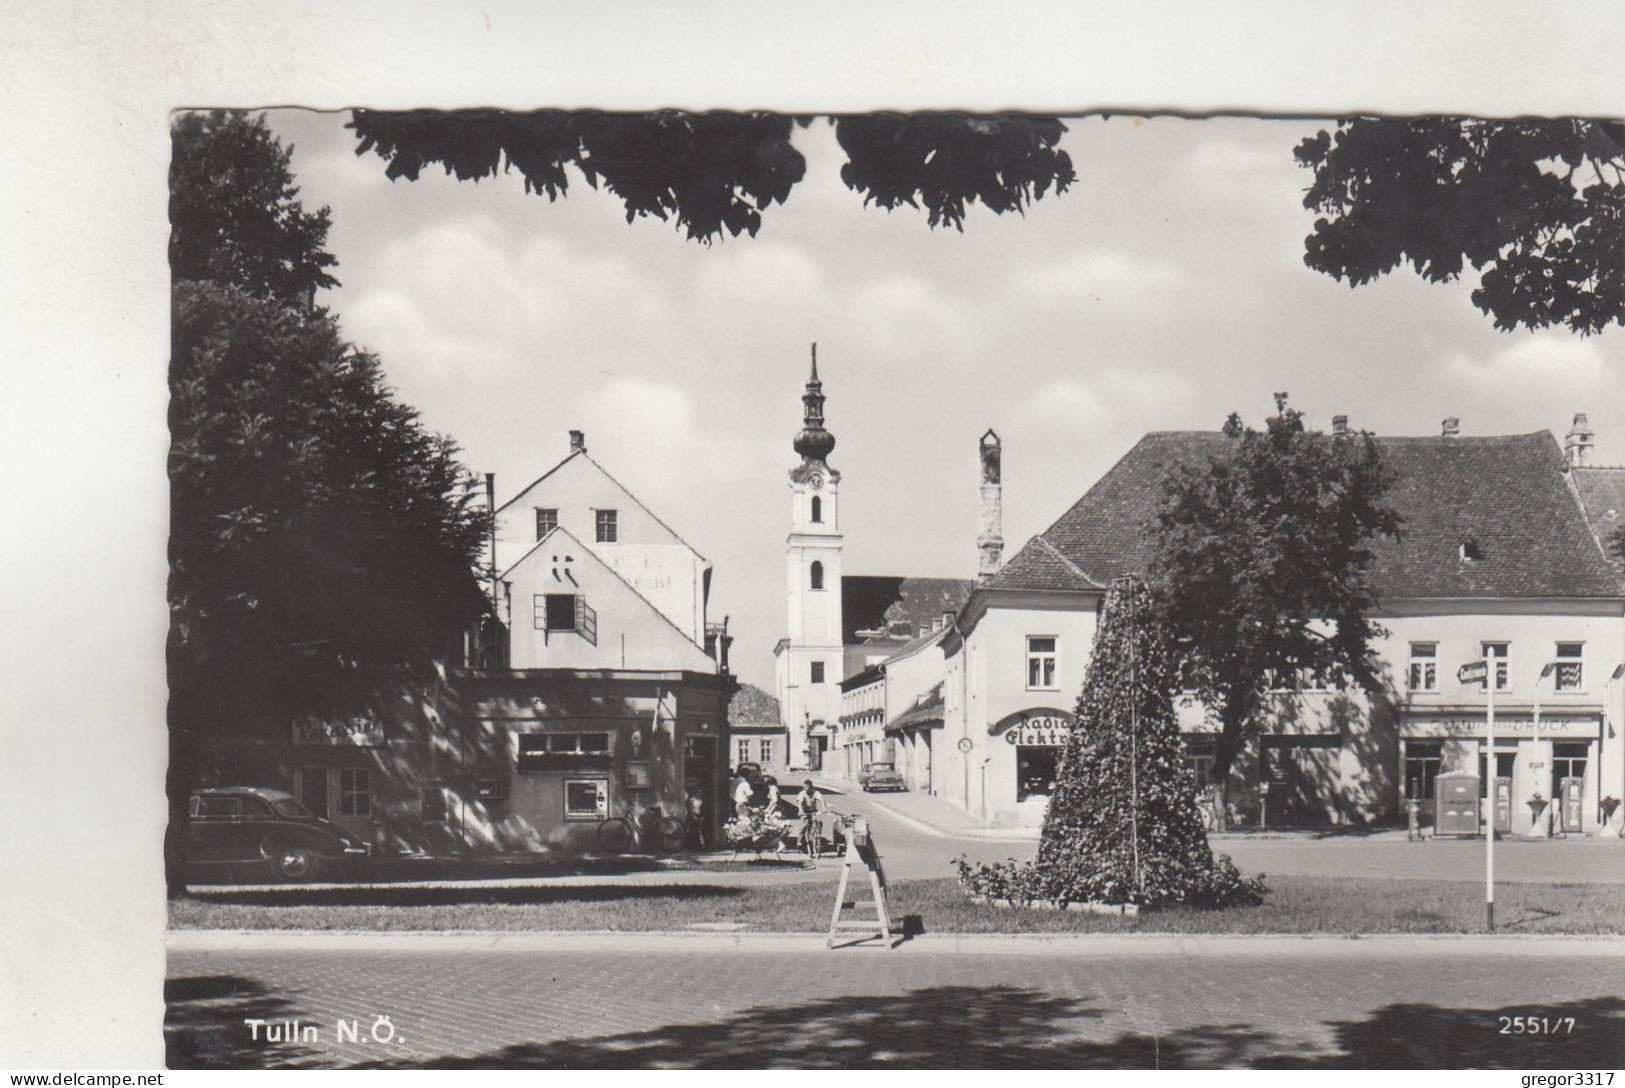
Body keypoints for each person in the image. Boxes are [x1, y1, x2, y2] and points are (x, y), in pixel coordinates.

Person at [797, 779, 824, 859]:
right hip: (805, 812)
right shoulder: (802, 794)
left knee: (819, 822)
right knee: (803, 827)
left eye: (808, 787)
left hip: (813, 811)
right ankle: (799, 843)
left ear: (811, 787)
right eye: (805, 787)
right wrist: (801, 811)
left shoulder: (815, 793)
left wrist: (824, 807)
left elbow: (822, 799)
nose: (806, 789)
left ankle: (817, 836)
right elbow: (800, 803)